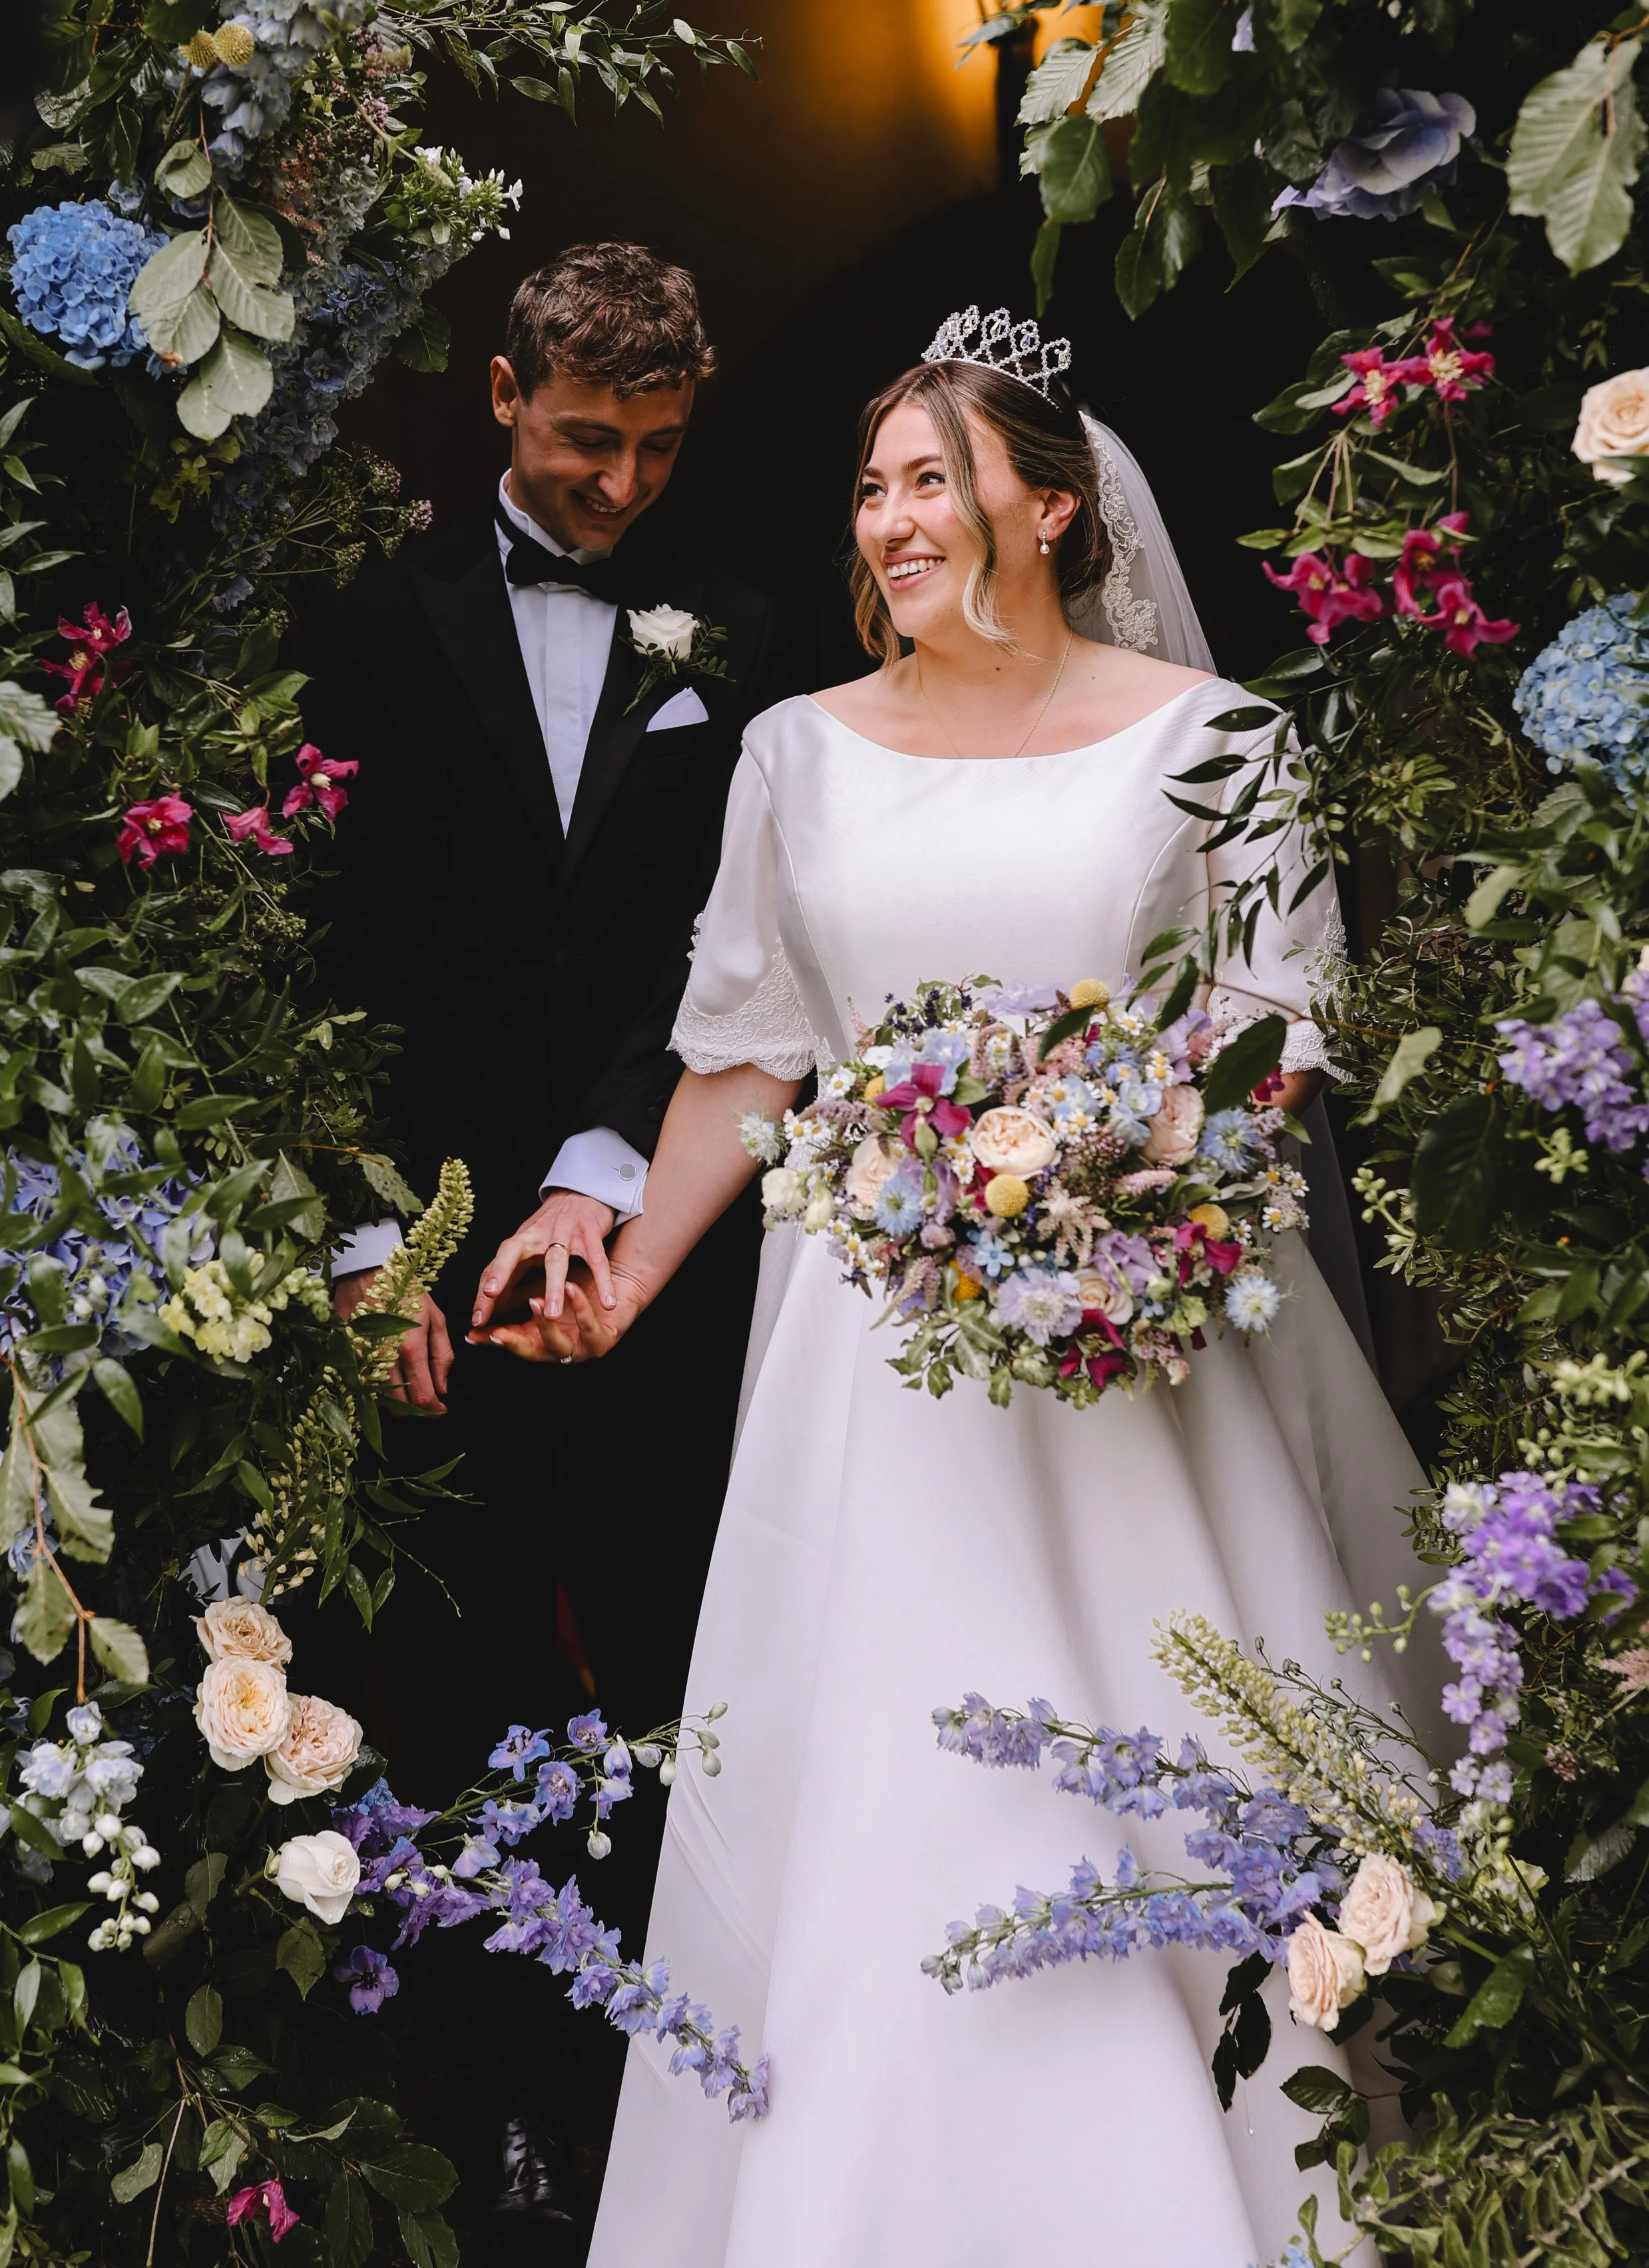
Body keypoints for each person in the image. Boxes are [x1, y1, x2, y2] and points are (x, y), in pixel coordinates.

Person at [473, 309, 1436, 2265]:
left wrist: (1115, 1166)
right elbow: (749, 1057)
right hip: (878, 1372)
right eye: (871, 483)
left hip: (1133, 1343)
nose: (890, 517)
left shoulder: (1211, 745)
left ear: (1050, 504)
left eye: (933, 477)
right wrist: (632, 1267)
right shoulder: (795, 755)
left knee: (1177, 1790)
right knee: (887, 1801)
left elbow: (1279, 1031)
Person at [298, 241, 777, 2254]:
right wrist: (358, 1242)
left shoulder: (733, 640)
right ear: (503, 394)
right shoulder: (363, 629)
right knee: (479, 1717)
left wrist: (603, 1170)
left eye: (658, 450)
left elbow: (721, 952)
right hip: (424, 1282)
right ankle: (511, 2130)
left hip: (648, 1275)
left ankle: (692, 2120)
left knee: (688, 1697)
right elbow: (307, 954)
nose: (618, 486)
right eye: (588, 439)